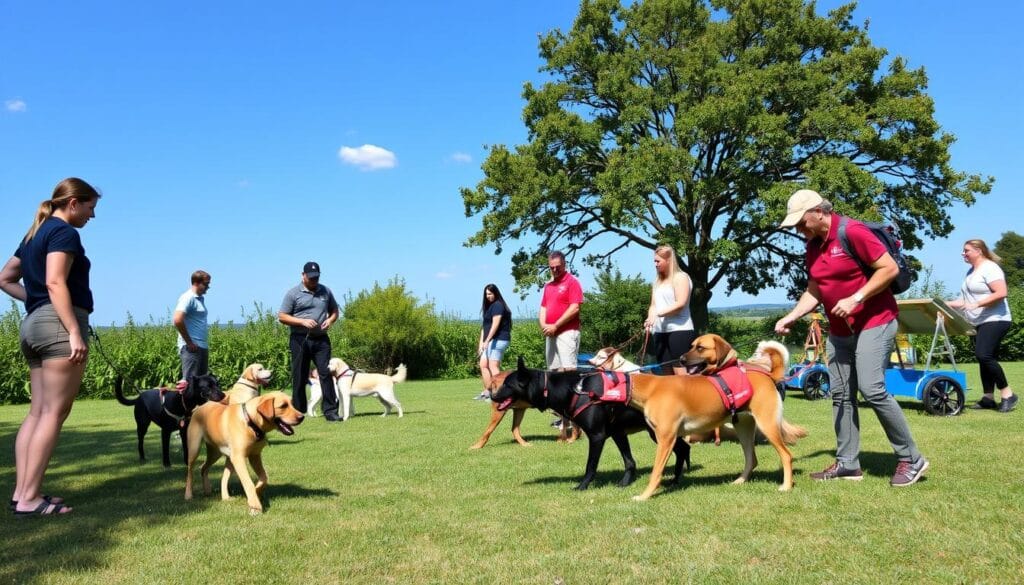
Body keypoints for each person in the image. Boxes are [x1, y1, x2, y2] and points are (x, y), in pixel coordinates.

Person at [774, 189, 929, 487]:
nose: (799, 229)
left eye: (801, 222)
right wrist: (791, 316)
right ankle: (848, 464)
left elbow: (889, 268)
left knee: (872, 389)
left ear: (819, 212)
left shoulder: (852, 231)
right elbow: (815, 290)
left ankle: (911, 458)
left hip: (875, 321)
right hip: (841, 330)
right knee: (842, 394)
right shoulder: (813, 246)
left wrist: (856, 298)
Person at [0, 177, 101, 515]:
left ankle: (23, 493)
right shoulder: (64, 232)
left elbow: (4, 278)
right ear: (73, 203)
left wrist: (38, 301)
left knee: (38, 412)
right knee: (53, 414)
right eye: (90, 208)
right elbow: (56, 280)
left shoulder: (34, 233)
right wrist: (72, 329)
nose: (92, 216)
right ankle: (29, 500)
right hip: (58, 325)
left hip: (33, 326)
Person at [947, 239, 1016, 412]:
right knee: (983, 358)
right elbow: (966, 301)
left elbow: (1001, 292)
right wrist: (946, 304)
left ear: (979, 251)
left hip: (996, 318)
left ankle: (1007, 394)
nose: (963, 253)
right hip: (980, 321)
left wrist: (976, 305)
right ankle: (988, 398)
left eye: (966, 250)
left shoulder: (990, 268)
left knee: (983, 354)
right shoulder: (971, 272)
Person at [278, 261, 341, 421]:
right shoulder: (293, 293)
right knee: (300, 375)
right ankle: (298, 410)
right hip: (300, 339)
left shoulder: (325, 291)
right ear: (303, 275)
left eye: (316, 278)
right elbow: (282, 316)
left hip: (321, 340)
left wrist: (331, 320)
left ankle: (330, 411)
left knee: (326, 373)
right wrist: (302, 322)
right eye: (311, 278)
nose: (314, 281)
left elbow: (334, 310)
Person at [643, 245, 696, 375]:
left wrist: (659, 314)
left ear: (668, 261)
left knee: (680, 371)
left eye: (658, 261)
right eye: (654, 261)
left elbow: (680, 304)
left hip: (679, 331)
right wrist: (650, 319)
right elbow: (653, 305)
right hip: (660, 331)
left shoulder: (681, 277)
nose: (655, 264)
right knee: (665, 371)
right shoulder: (657, 282)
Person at [539, 251, 584, 371]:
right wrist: (544, 326)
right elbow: (544, 307)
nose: (554, 270)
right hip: (551, 333)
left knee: (568, 370)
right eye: (551, 267)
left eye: (557, 267)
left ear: (564, 264)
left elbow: (574, 308)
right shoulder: (548, 286)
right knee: (553, 371)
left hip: (567, 331)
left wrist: (556, 325)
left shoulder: (572, 282)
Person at [475, 284, 512, 400]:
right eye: (486, 294)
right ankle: (488, 392)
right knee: (483, 365)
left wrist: (487, 340)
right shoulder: (490, 307)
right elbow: (485, 327)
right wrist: (481, 344)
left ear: (496, 293)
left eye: (490, 294)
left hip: (499, 339)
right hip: (490, 341)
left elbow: (495, 325)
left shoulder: (498, 306)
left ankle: (501, 394)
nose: (488, 296)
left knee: (493, 366)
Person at [173, 270, 211, 382]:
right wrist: (189, 342)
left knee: (201, 385)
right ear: (196, 283)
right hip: (191, 348)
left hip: (201, 346)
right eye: (206, 284)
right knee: (190, 385)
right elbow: (177, 319)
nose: (208, 287)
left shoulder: (199, 299)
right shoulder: (188, 298)